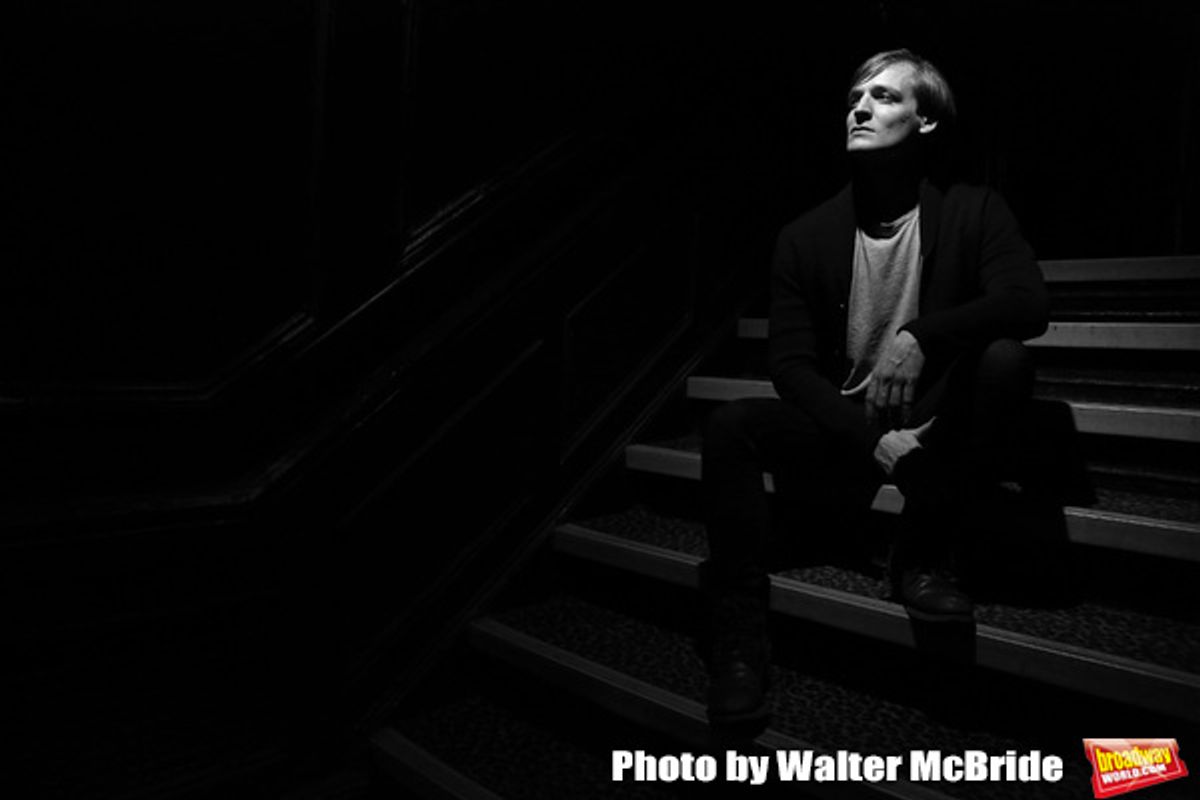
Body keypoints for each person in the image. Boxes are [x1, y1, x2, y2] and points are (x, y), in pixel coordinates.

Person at [700, 49, 1048, 725]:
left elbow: (1028, 303)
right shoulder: (804, 235)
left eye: (885, 97)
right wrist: (874, 441)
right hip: (847, 424)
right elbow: (790, 366)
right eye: (855, 98)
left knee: (1006, 361)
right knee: (729, 425)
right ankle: (737, 637)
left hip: (935, 419)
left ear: (926, 121)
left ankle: (924, 556)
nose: (860, 108)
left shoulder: (973, 210)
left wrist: (921, 335)